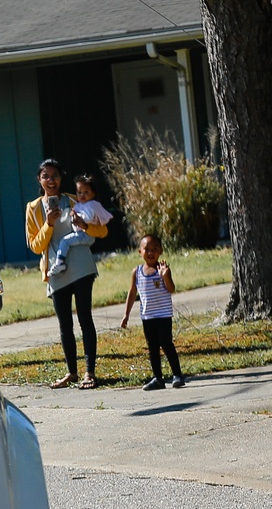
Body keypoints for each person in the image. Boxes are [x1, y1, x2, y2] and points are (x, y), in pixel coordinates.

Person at [25, 159, 109, 389]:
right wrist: (49, 224)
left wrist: (84, 223)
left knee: (85, 318)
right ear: (39, 180)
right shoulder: (33, 209)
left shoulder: (76, 200)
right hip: (55, 271)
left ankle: (89, 373)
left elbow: (102, 229)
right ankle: (72, 372)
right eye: (46, 176)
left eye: (55, 175)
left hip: (81, 267)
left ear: (61, 178)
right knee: (65, 325)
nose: (51, 180)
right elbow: (34, 245)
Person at [120, 234, 186, 390]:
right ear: (139, 251)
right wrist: (126, 315)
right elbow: (132, 293)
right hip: (147, 316)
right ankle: (158, 378)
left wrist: (165, 276)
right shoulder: (136, 272)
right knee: (153, 347)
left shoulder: (162, 269)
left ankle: (177, 375)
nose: (150, 253)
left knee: (166, 344)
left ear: (161, 251)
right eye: (146, 249)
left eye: (154, 249)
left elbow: (171, 289)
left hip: (163, 315)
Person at [48, 174, 113, 276]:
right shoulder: (82, 204)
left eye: (86, 192)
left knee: (64, 242)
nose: (82, 195)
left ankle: (60, 262)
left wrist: (76, 215)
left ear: (93, 193)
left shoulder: (91, 205)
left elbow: (87, 218)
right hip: (83, 233)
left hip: (85, 234)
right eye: (79, 192)